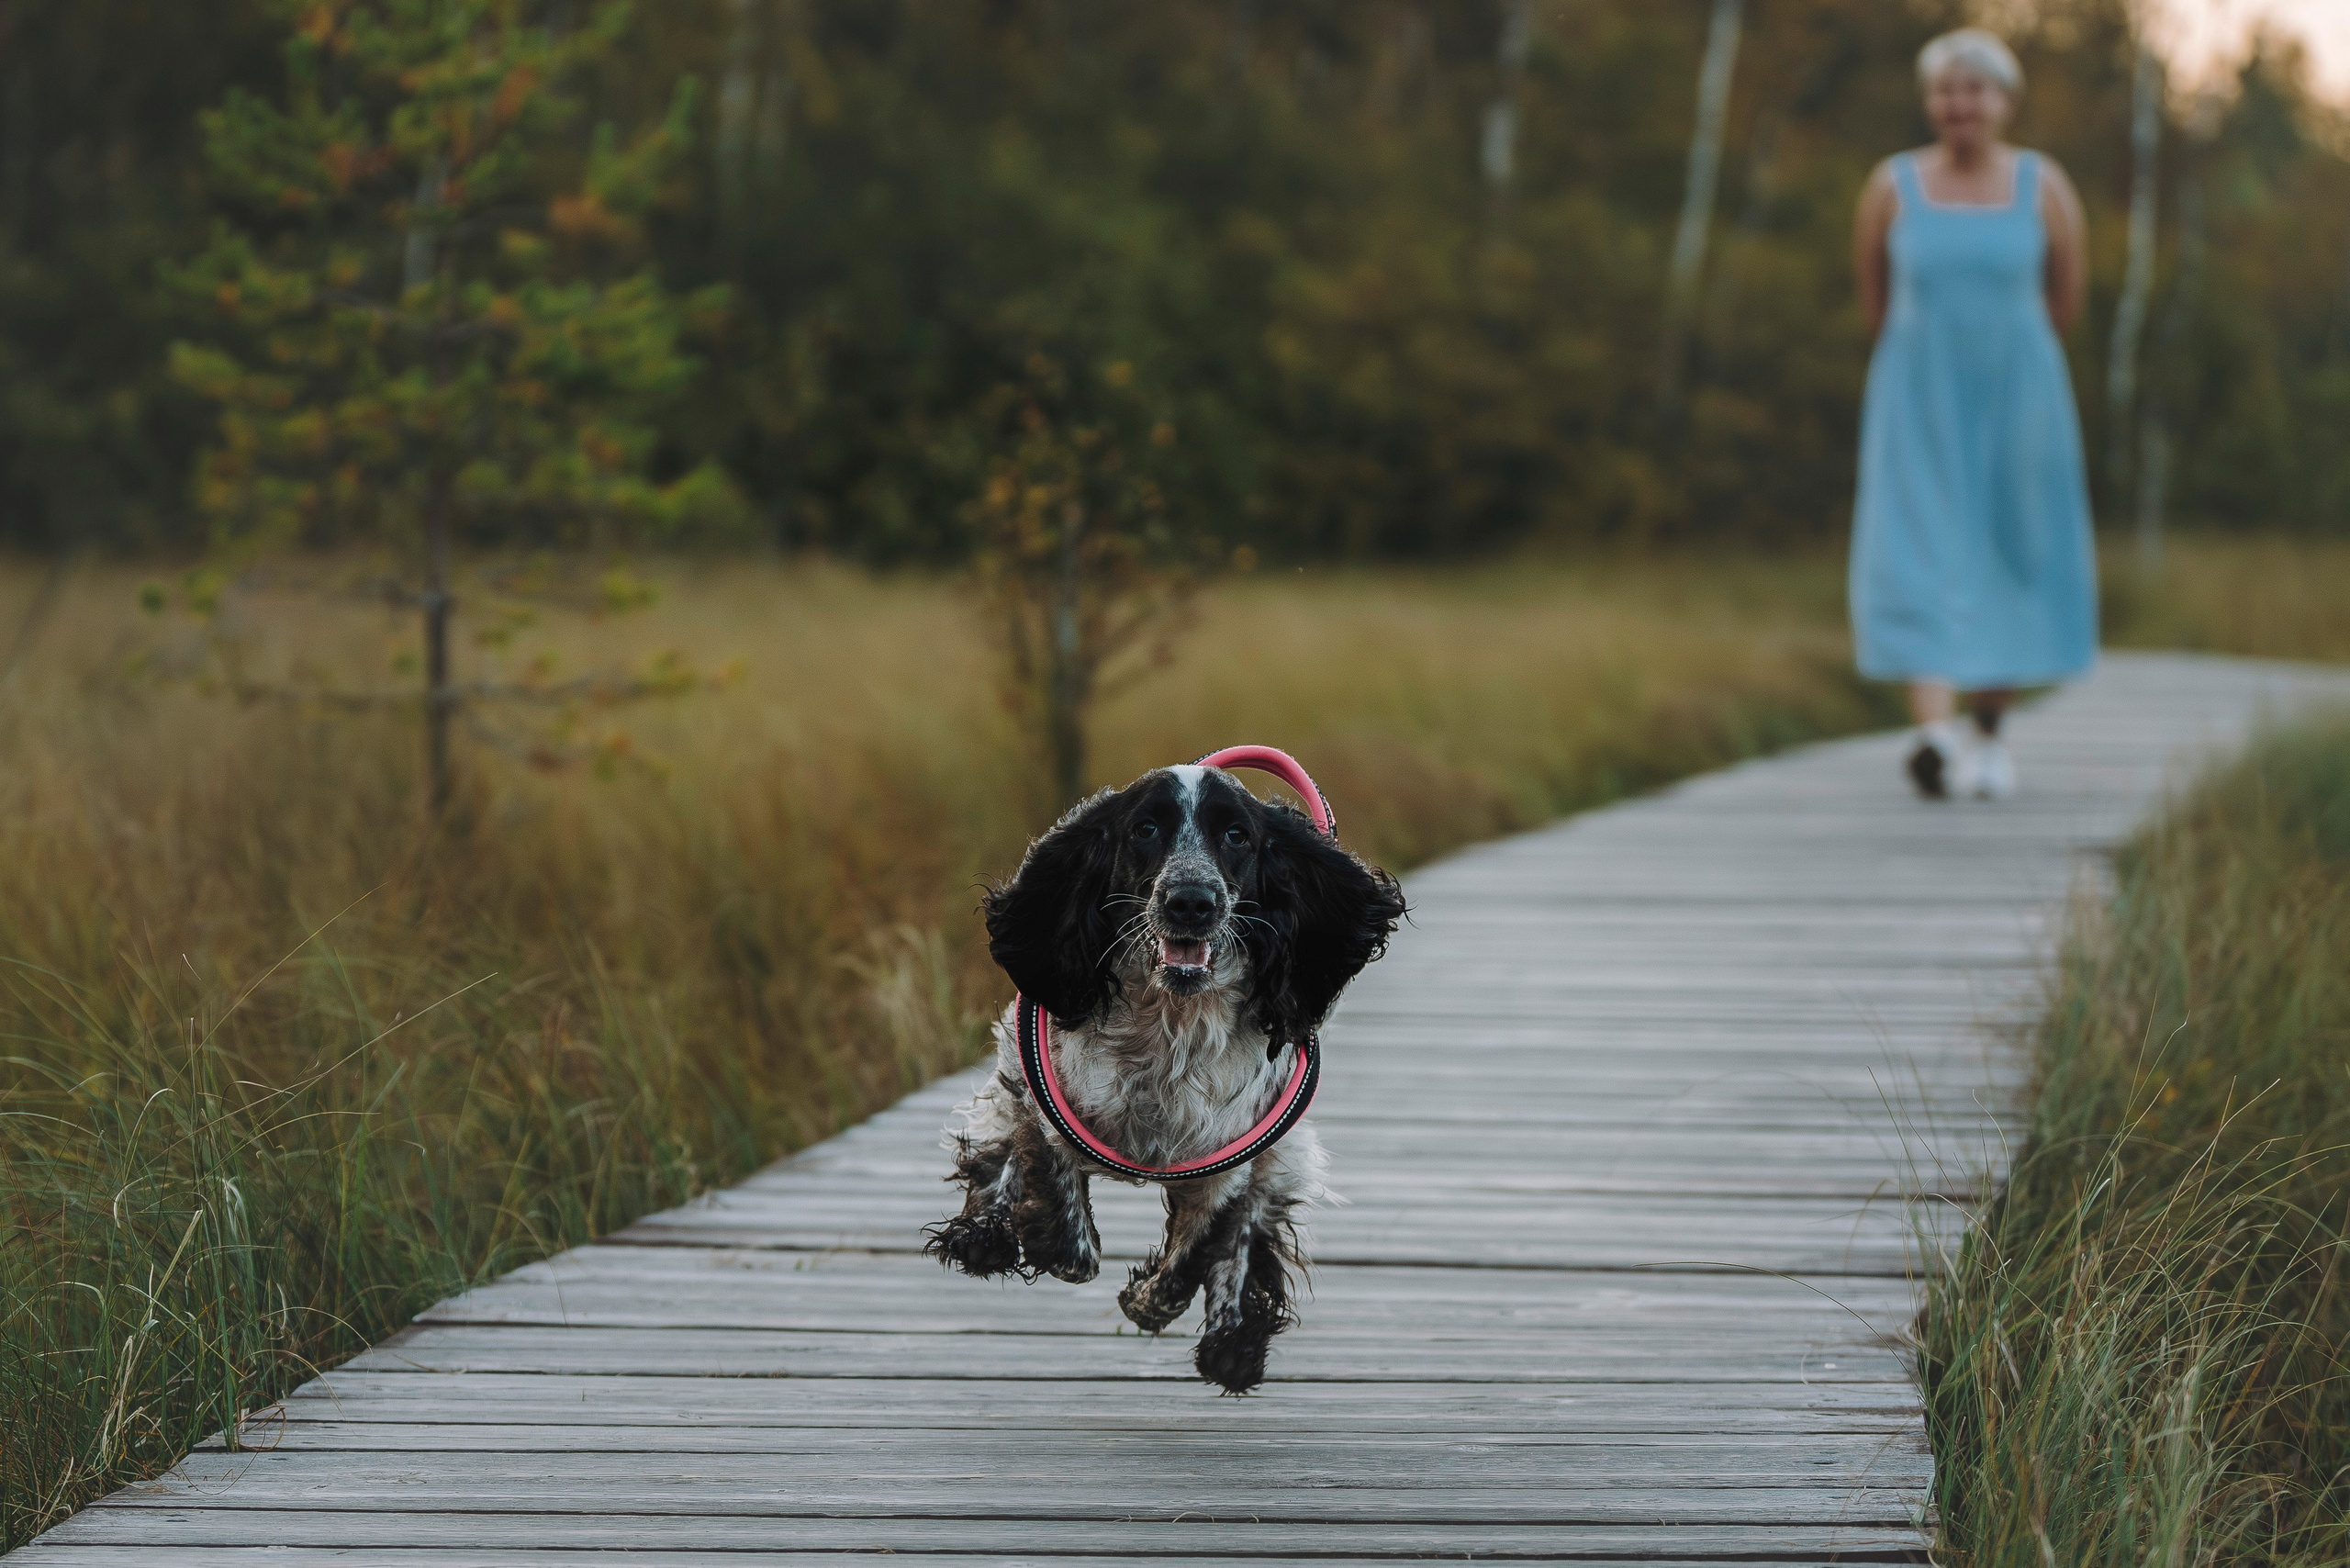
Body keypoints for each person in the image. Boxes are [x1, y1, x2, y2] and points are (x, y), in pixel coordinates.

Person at [1850, 28, 2098, 801]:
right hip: (1917, 397)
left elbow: (2066, 299)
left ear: (2004, 101)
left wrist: (2010, 359)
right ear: (1928, 101)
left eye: (1974, 90)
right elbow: (1875, 298)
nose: (1959, 105)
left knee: (2011, 548)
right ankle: (1933, 734)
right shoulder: (1891, 186)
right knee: (1916, 548)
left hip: (2020, 398)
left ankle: (1988, 731)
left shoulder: (2044, 186)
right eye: (1945, 90)